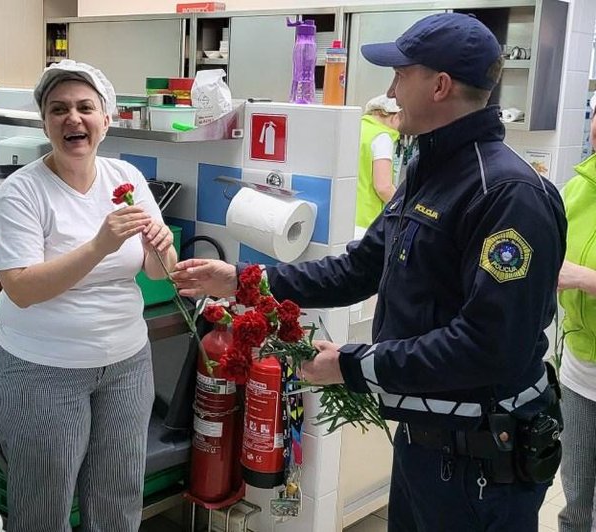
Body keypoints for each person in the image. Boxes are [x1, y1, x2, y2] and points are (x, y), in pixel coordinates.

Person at [172, 13, 566, 531]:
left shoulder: (507, 194)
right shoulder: (430, 170)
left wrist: (353, 364)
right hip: (425, 442)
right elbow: (359, 270)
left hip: (482, 463)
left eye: (402, 74)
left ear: (440, 86)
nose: (391, 88)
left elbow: (489, 345)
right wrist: (245, 282)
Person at [0, 59, 176, 532]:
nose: (73, 118)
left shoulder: (124, 179)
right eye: (59, 109)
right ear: (46, 122)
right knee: (44, 506)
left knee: (118, 496)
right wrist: (98, 246)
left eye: (85, 107)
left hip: (127, 364)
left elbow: (157, 272)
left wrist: (165, 250)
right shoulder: (22, 192)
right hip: (42, 371)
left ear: (106, 120)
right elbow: (21, 288)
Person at [557, 92, 596, 532]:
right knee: (576, 501)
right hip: (580, 369)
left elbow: (574, 272)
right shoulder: (578, 186)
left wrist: (584, 278)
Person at [355, 94, 401, 236]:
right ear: (392, 115)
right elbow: (383, 187)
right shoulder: (382, 137)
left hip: (345, 218)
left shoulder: (355, 128)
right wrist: (402, 210)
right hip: (367, 222)